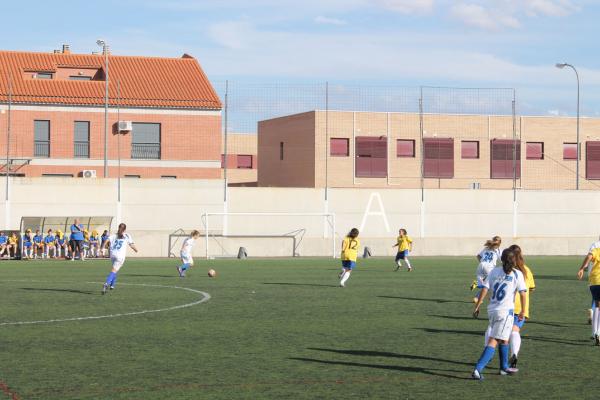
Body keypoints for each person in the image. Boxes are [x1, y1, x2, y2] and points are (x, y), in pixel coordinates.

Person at [471, 249, 527, 380]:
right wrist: (523, 311)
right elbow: (523, 294)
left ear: (501, 259)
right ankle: (477, 369)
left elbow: (485, 289)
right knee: (494, 340)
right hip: (505, 312)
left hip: (492, 310)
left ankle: (503, 367)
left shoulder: (494, 271)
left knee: (504, 338)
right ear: (515, 261)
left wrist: (477, 305)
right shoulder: (517, 274)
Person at [506, 244, 535, 369]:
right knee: (515, 330)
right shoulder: (526, 270)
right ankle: (514, 354)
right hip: (522, 307)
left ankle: (489, 355)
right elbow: (531, 288)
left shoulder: (508, 269)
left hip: (507, 306)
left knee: (498, 333)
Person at [102, 223, 138, 294]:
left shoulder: (113, 235)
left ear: (118, 228)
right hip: (120, 256)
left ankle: (112, 285)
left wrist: (102, 248)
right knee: (114, 270)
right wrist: (136, 249)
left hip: (112, 255)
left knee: (115, 269)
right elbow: (131, 245)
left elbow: (106, 241)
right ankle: (107, 283)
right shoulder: (127, 235)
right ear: (125, 229)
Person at [577, 245, 600, 345]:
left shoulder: (597, 250)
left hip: (594, 281)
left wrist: (582, 268)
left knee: (597, 305)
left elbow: (589, 256)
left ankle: (594, 332)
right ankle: (598, 332)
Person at [471, 236, 502, 303]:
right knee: (491, 283)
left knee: (486, 283)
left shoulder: (486, 248)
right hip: (489, 267)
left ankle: (476, 285)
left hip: (481, 265)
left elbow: (478, 256)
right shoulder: (498, 251)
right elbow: (502, 261)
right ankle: (478, 297)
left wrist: (483, 263)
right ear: (500, 243)